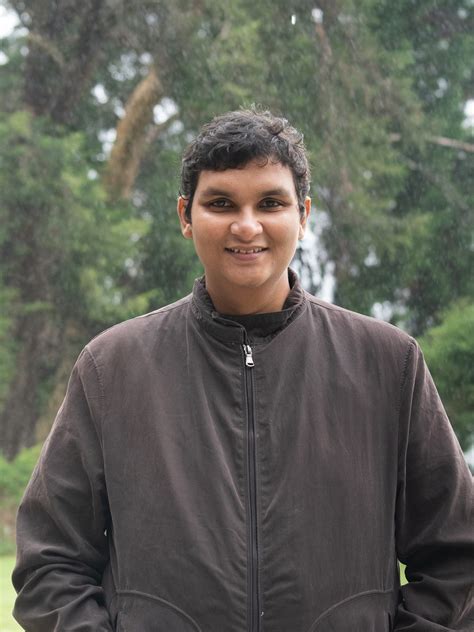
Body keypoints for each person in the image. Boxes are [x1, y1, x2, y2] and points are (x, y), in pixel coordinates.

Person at [12, 109, 473, 632]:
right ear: (186, 215)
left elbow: (457, 559)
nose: (247, 225)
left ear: (303, 215)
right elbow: (50, 563)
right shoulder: (112, 368)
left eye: (271, 203)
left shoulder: (388, 364)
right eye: (221, 203)